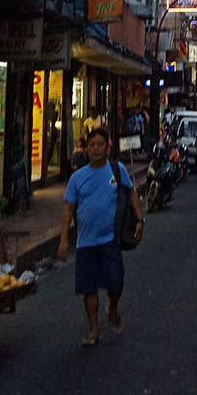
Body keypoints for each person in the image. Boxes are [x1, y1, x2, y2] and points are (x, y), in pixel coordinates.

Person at [58, 127, 143, 346]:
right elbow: (68, 209)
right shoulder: (77, 178)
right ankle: (93, 329)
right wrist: (64, 240)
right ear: (86, 149)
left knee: (116, 283)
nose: (96, 149)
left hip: (110, 240)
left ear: (107, 148)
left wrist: (140, 219)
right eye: (92, 145)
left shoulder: (117, 170)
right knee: (89, 288)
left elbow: (131, 192)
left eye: (100, 145)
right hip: (85, 242)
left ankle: (112, 307)